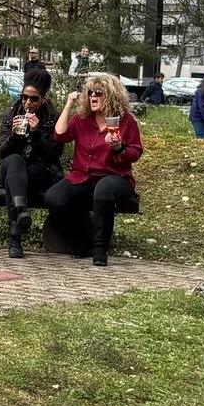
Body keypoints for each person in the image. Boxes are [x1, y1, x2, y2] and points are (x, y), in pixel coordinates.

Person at [44, 72, 143, 267]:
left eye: (99, 93)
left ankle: (100, 249)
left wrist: (119, 148)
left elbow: (135, 152)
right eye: (90, 93)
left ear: (111, 96)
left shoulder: (125, 122)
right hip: (83, 177)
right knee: (54, 198)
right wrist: (68, 105)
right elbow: (59, 135)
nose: (93, 97)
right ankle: (84, 237)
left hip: (116, 177)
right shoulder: (82, 120)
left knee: (104, 189)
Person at [0, 66, 62, 260]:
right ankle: (21, 211)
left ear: (43, 99)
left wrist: (36, 134)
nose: (27, 103)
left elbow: (54, 154)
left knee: (16, 179)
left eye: (34, 99)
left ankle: (15, 239)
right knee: (14, 162)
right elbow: (0, 152)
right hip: (12, 168)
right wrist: (13, 137)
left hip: (39, 171)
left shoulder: (53, 118)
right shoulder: (11, 114)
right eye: (24, 97)